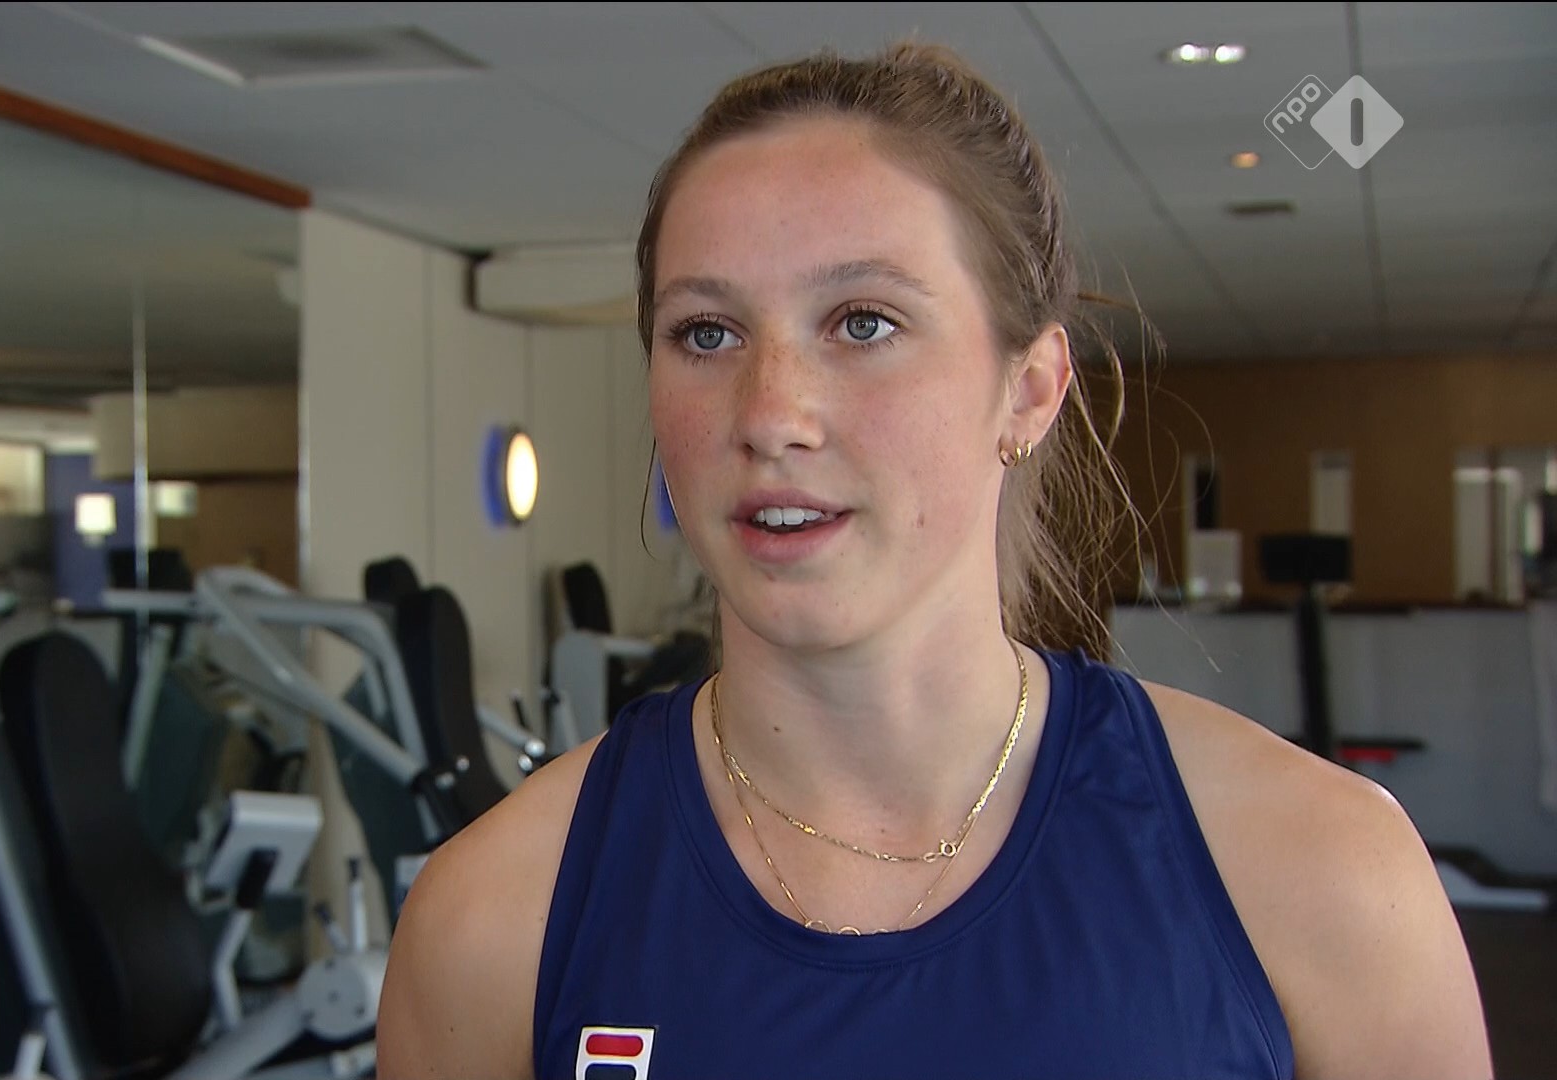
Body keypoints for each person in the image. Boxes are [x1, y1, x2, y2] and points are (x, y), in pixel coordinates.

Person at [376, 40, 1491, 1080]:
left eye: (863, 322)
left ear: (1030, 390)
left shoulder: (1321, 874)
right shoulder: (493, 921)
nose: (770, 415)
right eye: (706, 333)